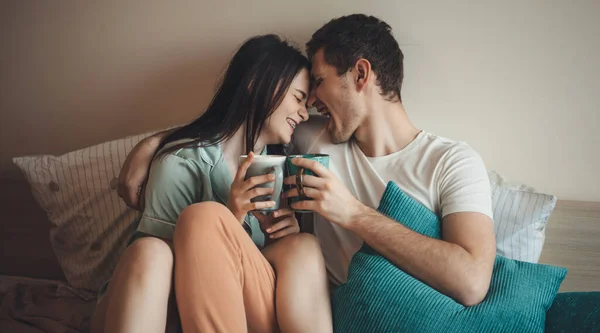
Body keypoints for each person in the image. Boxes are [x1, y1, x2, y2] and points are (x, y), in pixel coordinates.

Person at [119, 13, 496, 312]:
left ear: (360, 74)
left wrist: (352, 213)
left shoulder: (452, 162)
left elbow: (472, 282)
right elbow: (239, 124)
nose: (311, 102)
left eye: (318, 82)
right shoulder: (312, 137)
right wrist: (157, 144)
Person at [91, 34, 333, 333]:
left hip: (245, 309)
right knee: (161, 245)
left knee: (303, 247)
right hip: (164, 307)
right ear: (256, 82)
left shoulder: (282, 169)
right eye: (298, 98)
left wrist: (283, 236)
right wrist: (231, 219)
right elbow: (158, 271)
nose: (302, 113)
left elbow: (265, 275)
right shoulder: (183, 162)